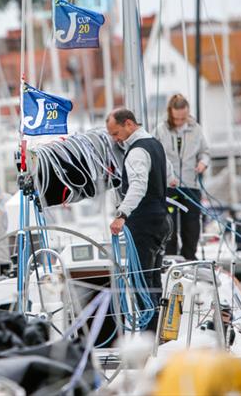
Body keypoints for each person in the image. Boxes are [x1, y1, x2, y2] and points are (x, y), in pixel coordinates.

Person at [106, 108, 171, 332]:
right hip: (162, 219)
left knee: (141, 281)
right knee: (153, 280)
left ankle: (148, 334)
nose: (115, 139)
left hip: (143, 222)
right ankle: (159, 332)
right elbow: (168, 173)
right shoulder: (155, 145)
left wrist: (121, 214)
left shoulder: (136, 151)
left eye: (116, 133)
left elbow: (138, 185)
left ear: (129, 125)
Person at [154, 94, 210, 260]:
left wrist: (203, 163)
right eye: (176, 118)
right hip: (168, 187)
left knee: (191, 226)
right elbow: (153, 154)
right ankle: (171, 258)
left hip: (190, 185)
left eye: (183, 118)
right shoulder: (160, 130)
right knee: (168, 224)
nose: (179, 122)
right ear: (171, 113)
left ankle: (190, 257)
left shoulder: (196, 129)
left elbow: (205, 152)